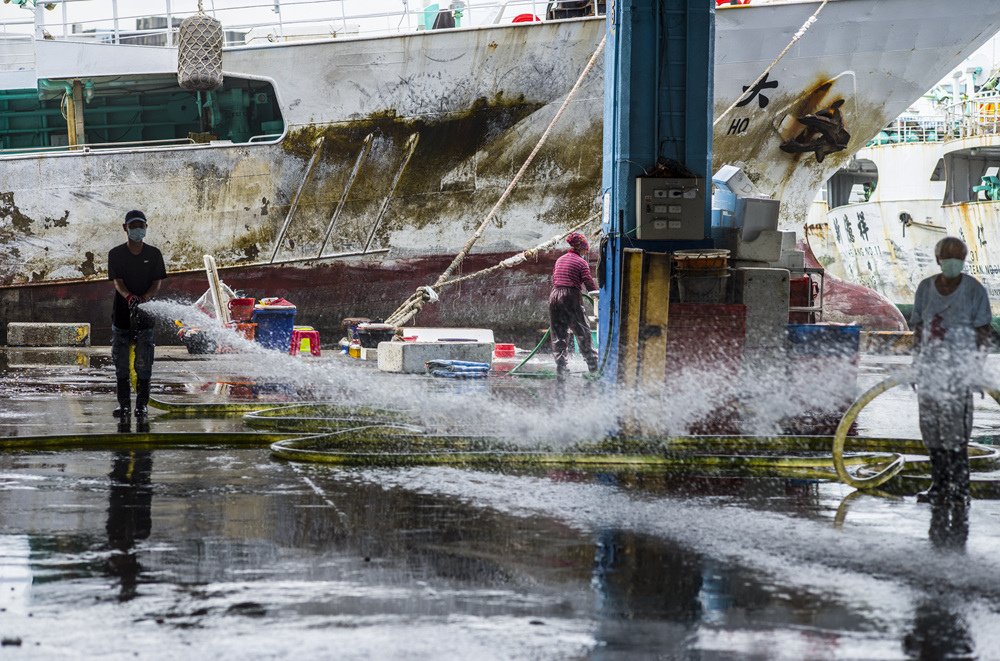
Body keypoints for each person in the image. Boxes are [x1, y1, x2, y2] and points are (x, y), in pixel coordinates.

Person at [910, 236, 991, 505]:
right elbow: (919, 328)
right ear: (938, 260)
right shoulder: (925, 289)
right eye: (948, 257)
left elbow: (982, 332)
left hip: (959, 376)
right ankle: (938, 486)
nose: (953, 262)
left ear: (964, 260)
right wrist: (916, 364)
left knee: (956, 437)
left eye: (958, 257)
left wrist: (975, 369)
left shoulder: (974, 291)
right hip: (930, 374)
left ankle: (960, 490)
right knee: (932, 434)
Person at [108, 210, 167, 431]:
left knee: (144, 365)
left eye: (140, 225)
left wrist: (144, 298)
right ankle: (123, 405)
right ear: (125, 228)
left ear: (146, 226)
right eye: (133, 226)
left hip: (146, 319)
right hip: (122, 318)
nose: (137, 230)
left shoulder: (154, 254)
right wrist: (129, 297)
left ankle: (141, 406)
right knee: (121, 365)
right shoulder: (116, 254)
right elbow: (118, 282)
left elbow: (156, 283)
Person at [549, 231, 599, 379]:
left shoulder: (560, 259)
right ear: (582, 248)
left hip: (554, 295)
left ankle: (561, 367)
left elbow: (556, 278)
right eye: (585, 250)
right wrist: (598, 295)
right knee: (582, 332)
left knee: (559, 333)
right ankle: (593, 366)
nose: (586, 252)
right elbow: (589, 283)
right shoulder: (581, 262)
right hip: (570, 296)